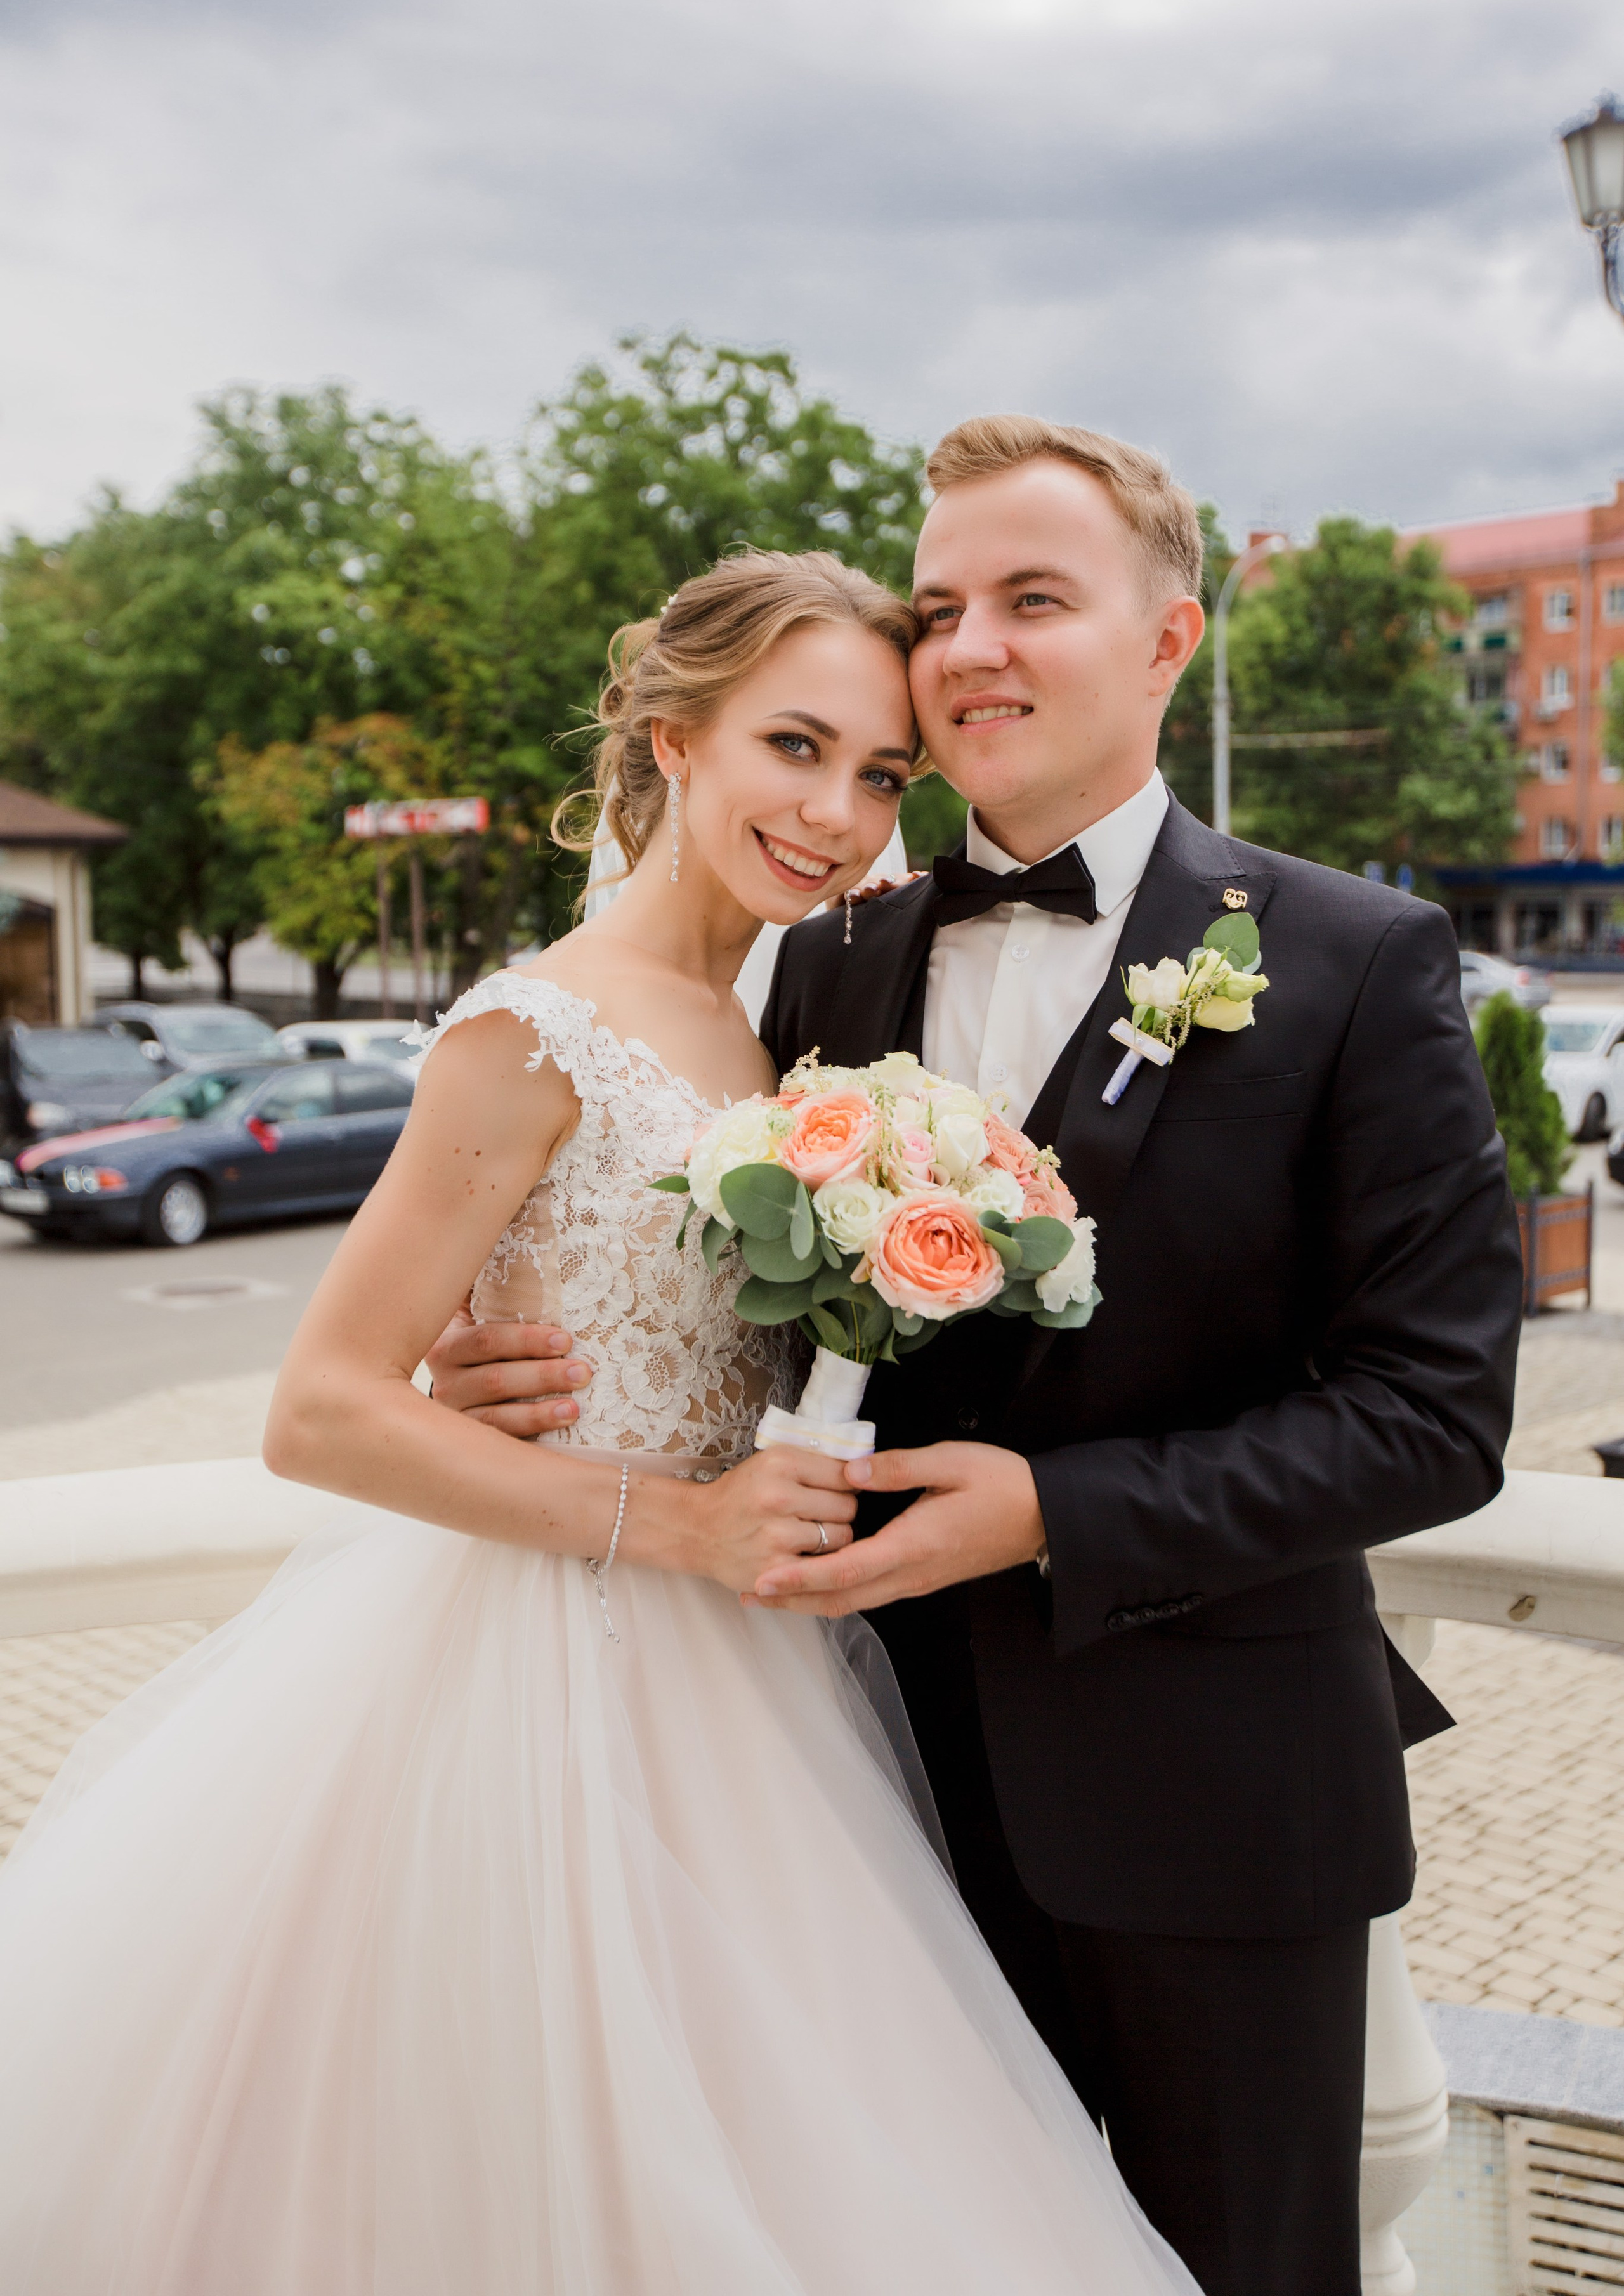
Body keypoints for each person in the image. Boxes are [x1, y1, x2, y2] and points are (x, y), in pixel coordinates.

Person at [0, 548, 1195, 2296]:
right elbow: (319, 1411)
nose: (840, 814)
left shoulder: (763, 1023)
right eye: (795, 747)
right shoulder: (531, 1028)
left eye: (880, 777)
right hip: (535, 1684)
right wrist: (675, 1519)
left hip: (749, 1683)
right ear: (667, 735)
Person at [433, 419, 1524, 2296]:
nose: (971, 651)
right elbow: (707, 1279)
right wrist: (509, 1358)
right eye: (942, 607)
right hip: (865, 1800)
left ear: (1171, 639)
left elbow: (1433, 1416)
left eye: (1036, 599)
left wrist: (1052, 1513)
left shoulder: (1358, 961)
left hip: (1218, 1814)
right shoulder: (820, 955)